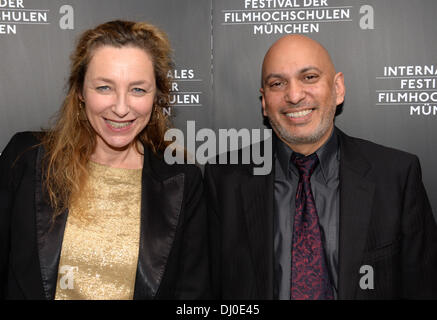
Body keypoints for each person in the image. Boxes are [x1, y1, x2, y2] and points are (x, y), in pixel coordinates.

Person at [204, 35, 437, 299]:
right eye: (277, 83)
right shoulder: (224, 179)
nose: (294, 95)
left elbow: (423, 288)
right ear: (264, 102)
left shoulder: (396, 176)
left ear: (338, 88)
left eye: (309, 77)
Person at [0, 20, 209, 300]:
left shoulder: (183, 182)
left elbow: (191, 296)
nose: (121, 108)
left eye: (138, 89)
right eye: (104, 88)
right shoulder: (25, 159)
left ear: (156, 97)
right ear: (80, 92)